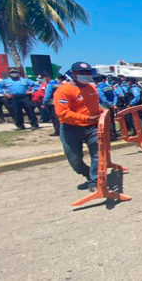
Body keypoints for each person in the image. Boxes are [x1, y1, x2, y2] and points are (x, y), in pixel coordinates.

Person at [54, 62, 103, 192]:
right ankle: (87, 172)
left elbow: (93, 106)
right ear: (74, 74)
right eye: (82, 73)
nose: (86, 76)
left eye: (88, 73)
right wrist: (85, 118)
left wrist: (101, 111)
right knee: (74, 159)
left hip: (92, 127)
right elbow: (62, 113)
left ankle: (95, 181)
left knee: (98, 154)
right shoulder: (64, 90)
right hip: (71, 128)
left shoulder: (92, 88)